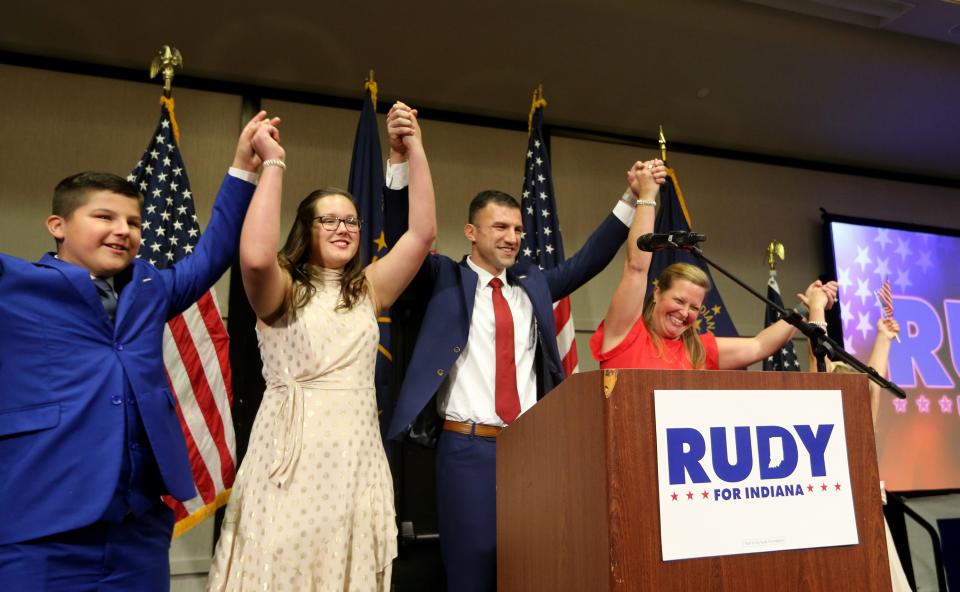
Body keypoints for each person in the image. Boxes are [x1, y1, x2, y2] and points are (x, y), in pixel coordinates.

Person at [381, 102, 644, 592]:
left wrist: (630, 198)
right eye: (500, 227)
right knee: (471, 574)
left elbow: (588, 261)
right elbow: (403, 239)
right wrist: (400, 161)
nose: (512, 237)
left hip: (530, 449)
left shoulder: (531, 286)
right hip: (468, 448)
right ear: (471, 232)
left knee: (533, 567)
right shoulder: (442, 278)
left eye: (518, 229)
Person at [0, 112, 269, 589]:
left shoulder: (151, 288)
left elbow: (213, 252)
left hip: (139, 525)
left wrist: (243, 167)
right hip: (40, 525)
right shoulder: (16, 285)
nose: (123, 230)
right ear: (57, 225)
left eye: (133, 221)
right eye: (103, 217)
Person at [207, 103, 436, 591]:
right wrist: (273, 164)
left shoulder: (368, 289)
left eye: (351, 222)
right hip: (291, 457)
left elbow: (421, 235)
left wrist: (413, 149)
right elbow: (252, 256)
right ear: (305, 229)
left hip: (355, 456)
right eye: (328, 220)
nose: (343, 229)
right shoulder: (283, 287)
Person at [591, 159, 838, 370]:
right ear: (656, 292)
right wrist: (646, 196)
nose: (685, 312)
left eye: (694, 307)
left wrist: (805, 307)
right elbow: (637, 267)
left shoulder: (697, 349)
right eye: (678, 300)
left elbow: (759, 345)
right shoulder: (626, 332)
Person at [805, 313, 911, 592]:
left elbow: (873, 382)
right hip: (834, 523)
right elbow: (818, 365)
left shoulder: (860, 426)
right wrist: (816, 310)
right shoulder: (823, 425)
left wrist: (884, 338)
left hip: (868, 520)